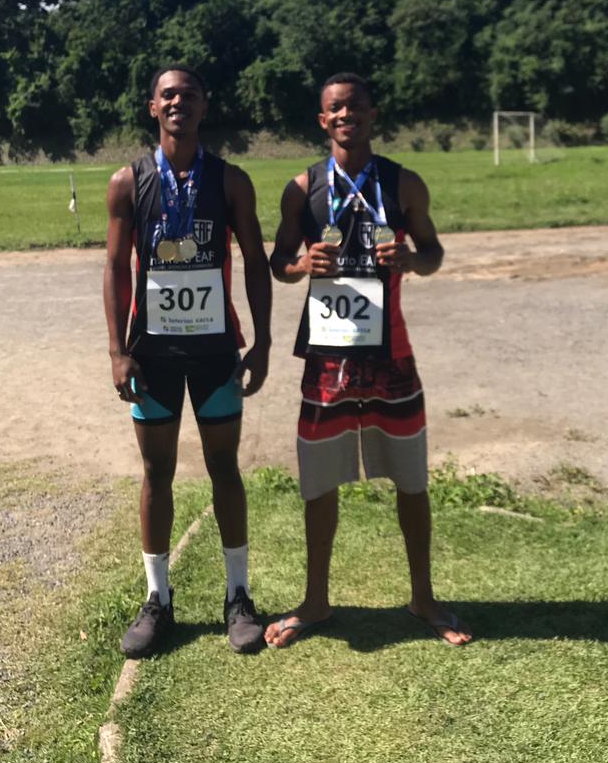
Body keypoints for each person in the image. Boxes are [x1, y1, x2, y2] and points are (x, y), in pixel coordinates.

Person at [264, 72, 471, 648]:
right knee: (318, 482)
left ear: (371, 113)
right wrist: (304, 266)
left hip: (390, 354)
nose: (345, 115)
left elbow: (433, 254)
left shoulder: (403, 184)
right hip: (328, 356)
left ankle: (423, 597)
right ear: (322, 120)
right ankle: (315, 601)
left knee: (411, 479)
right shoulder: (302, 188)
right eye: (335, 108)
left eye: (354, 106)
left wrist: (408, 259)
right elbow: (277, 262)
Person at [104, 66, 271, 656]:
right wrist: (118, 350)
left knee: (225, 469)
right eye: (168, 94)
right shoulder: (128, 181)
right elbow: (116, 268)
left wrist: (265, 342)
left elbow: (255, 259)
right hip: (153, 355)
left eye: (189, 94)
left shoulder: (229, 181)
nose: (179, 101)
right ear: (153, 106)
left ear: (204, 105)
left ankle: (238, 596)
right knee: (157, 473)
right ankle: (158, 599)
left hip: (214, 352)